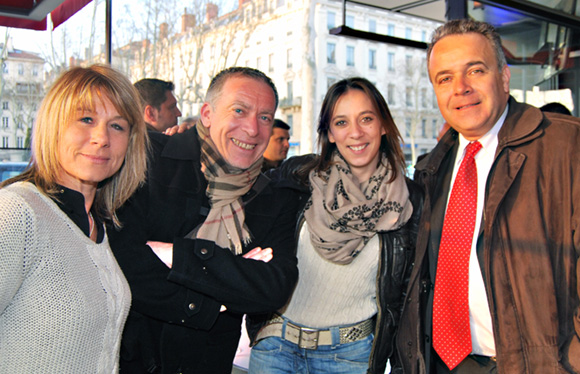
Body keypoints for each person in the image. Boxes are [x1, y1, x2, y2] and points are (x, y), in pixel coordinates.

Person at [397, 19, 580, 374]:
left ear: (505, 77)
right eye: (445, 78)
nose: (460, 88)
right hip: (448, 363)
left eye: (475, 70)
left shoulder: (567, 147)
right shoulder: (430, 169)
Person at [107, 67, 300, 374]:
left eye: (265, 117)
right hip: (129, 360)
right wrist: (219, 296)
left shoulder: (275, 196)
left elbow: (273, 286)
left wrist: (177, 255)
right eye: (239, 110)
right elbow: (124, 262)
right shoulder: (150, 159)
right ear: (207, 114)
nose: (252, 129)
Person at [248, 77, 423, 374]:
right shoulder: (300, 177)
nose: (355, 133)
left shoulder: (411, 201)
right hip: (276, 346)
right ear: (329, 133)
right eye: (341, 122)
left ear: (383, 125)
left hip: (350, 357)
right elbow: (242, 197)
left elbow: (409, 294)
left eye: (366, 119)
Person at [0, 64, 148, 372]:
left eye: (117, 126)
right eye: (86, 119)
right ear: (54, 125)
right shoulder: (20, 212)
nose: (101, 138)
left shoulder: (98, 224)